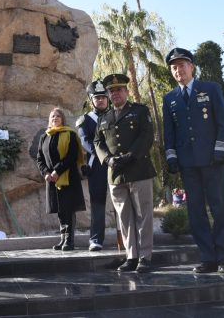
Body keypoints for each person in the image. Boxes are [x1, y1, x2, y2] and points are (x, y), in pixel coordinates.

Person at [162, 47, 224, 274]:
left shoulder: (210, 89)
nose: (178, 70)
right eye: (174, 67)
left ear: (192, 66)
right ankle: (207, 258)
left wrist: (221, 151)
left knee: (219, 207)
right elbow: (169, 132)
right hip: (188, 163)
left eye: (182, 65)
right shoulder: (170, 98)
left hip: (213, 159)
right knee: (195, 212)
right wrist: (172, 156)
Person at [94, 74, 156, 273]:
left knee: (143, 215)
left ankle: (145, 257)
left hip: (138, 169)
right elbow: (98, 142)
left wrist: (131, 155)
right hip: (116, 174)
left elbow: (147, 135)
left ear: (127, 92)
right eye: (111, 91)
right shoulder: (104, 118)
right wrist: (107, 159)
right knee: (124, 217)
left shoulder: (139, 111)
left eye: (119, 90)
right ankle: (132, 256)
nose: (115, 94)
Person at [36, 108, 86, 251]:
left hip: (68, 177)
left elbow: (72, 156)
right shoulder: (44, 137)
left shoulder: (69, 134)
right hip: (51, 179)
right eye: (52, 116)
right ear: (49, 120)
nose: (55, 118)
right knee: (60, 209)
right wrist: (46, 173)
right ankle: (63, 238)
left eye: (58, 116)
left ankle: (69, 240)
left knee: (68, 208)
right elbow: (39, 158)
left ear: (63, 119)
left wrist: (57, 171)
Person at [76, 79, 110, 251]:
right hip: (97, 165)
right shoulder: (86, 119)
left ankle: (131, 238)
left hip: (119, 163)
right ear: (91, 100)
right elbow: (85, 142)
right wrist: (105, 155)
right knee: (98, 203)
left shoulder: (116, 115)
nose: (101, 100)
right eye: (97, 98)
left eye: (103, 97)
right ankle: (96, 239)